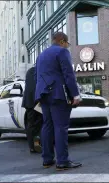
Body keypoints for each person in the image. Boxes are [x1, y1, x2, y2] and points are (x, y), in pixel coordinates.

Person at [35, 32, 82, 170]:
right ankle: (62, 161)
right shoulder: (62, 52)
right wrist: (76, 95)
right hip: (57, 93)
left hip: (43, 93)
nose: (67, 46)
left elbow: (35, 76)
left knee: (47, 125)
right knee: (60, 127)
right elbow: (68, 74)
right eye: (67, 43)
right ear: (62, 41)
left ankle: (47, 159)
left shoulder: (40, 55)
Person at [22, 66, 43, 154]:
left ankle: (32, 146)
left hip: (28, 102)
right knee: (38, 126)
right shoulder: (40, 71)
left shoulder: (30, 71)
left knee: (31, 125)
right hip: (37, 101)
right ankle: (36, 145)